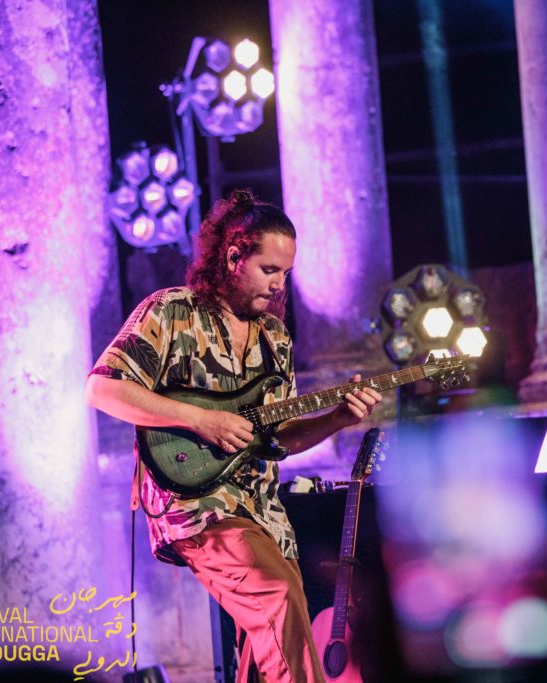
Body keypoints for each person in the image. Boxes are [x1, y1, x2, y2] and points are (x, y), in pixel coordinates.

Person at [86, 189, 382, 683]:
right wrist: (200, 419)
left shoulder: (275, 338)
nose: (279, 284)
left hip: (263, 510)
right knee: (277, 598)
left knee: (267, 648)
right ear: (233, 256)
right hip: (197, 502)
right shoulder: (171, 312)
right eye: (269, 270)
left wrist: (336, 419)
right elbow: (102, 389)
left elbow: (279, 439)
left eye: (286, 273)